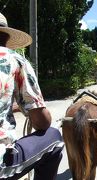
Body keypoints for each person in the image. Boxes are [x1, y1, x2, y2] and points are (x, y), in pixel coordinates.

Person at [0, 12, 64, 179]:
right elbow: (42, 123)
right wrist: (28, 108)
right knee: (54, 137)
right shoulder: (14, 59)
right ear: (6, 38)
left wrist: (9, 108)